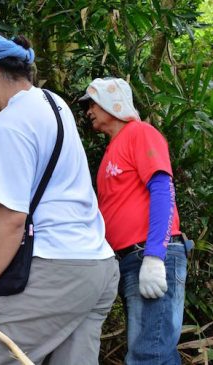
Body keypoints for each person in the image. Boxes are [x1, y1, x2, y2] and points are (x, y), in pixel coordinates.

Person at [0, 34, 119, 365]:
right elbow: (43, 148)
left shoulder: (10, 121)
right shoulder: (53, 103)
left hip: (57, 270)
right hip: (97, 267)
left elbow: (11, 221)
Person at [79, 77, 189, 364]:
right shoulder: (111, 150)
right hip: (130, 260)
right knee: (156, 353)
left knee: (147, 354)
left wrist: (154, 257)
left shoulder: (140, 133)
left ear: (109, 101)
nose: (88, 110)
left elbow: (163, 190)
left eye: (93, 102)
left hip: (150, 256)